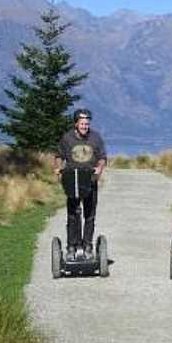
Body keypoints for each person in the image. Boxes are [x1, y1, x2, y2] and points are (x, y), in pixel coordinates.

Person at [55, 108, 107, 259]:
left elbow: (102, 157)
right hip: (72, 180)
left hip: (89, 180)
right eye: (82, 123)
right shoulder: (67, 138)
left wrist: (99, 168)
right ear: (76, 123)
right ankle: (72, 246)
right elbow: (59, 155)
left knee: (89, 215)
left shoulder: (96, 138)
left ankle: (87, 246)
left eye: (87, 123)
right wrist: (58, 168)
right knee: (73, 214)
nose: (85, 126)